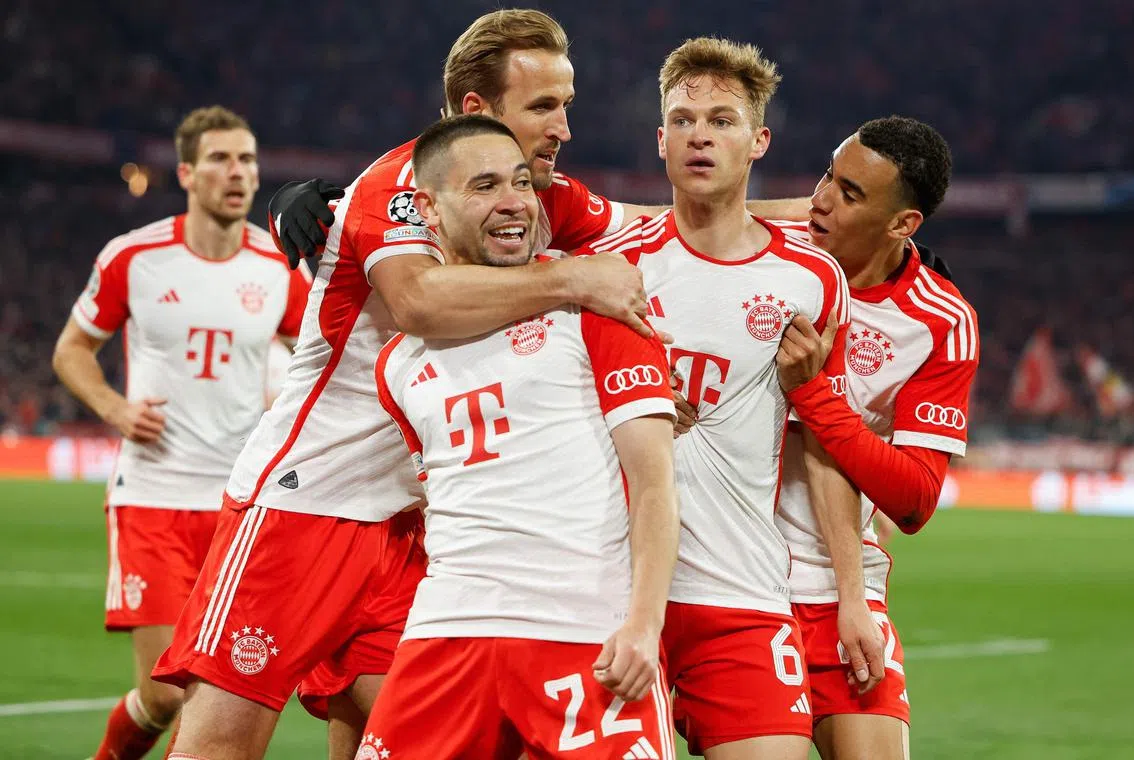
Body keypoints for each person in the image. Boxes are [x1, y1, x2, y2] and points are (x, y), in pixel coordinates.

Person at [151, 11, 667, 760]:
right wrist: (575, 280)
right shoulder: (397, 186)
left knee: (387, 729)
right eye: (543, 107)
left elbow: (666, 226)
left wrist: (808, 222)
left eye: (567, 104)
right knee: (221, 741)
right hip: (308, 503)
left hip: (415, 525)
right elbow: (419, 304)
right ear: (475, 111)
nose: (563, 127)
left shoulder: (544, 201)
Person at [582, 38, 882, 760]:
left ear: (758, 140)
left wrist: (852, 596)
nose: (700, 135)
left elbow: (824, 440)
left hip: (739, 596)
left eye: (721, 119)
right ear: (660, 139)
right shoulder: (614, 268)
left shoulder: (813, 281)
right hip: (607, 593)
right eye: (683, 120)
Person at [361, 112, 679, 760]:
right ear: (428, 207)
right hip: (446, 633)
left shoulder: (598, 306)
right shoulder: (396, 365)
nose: (513, 204)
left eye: (521, 184)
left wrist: (644, 626)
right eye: (484, 187)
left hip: (582, 630)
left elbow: (654, 486)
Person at [51, 105, 311, 760]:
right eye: (222, 159)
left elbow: (321, 355)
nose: (238, 173)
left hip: (239, 507)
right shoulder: (135, 257)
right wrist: (113, 407)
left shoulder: (278, 266)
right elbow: (71, 350)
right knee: (166, 694)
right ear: (188, 173)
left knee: (215, 695)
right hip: (154, 497)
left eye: (248, 159)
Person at [772, 115, 979, 759]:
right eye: (828, 176)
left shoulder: (941, 322)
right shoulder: (769, 253)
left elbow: (914, 500)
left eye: (852, 194)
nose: (822, 200)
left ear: (903, 224)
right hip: (726, 572)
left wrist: (815, 396)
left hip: (836, 583)